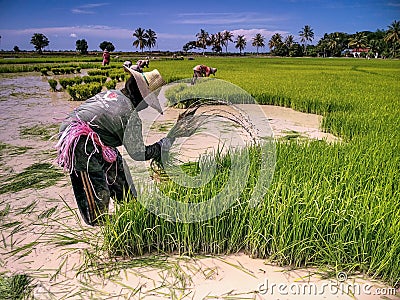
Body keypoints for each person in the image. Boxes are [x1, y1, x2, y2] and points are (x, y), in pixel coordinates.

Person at [55, 63, 173, 226]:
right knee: (95, 188)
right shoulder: (129, 115)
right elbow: (138, 154)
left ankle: (129, 203)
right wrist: (161, 146)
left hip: (95, 137)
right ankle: (98, 222)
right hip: (77, 140)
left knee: (116, 166)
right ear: (142, 98)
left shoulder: (113, 93)